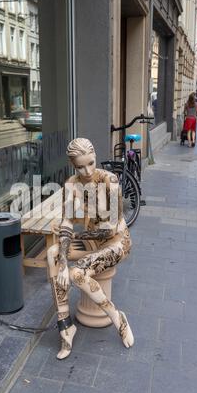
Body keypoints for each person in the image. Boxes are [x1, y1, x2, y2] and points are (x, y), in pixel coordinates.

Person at [47, 138, 134, 360]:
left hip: (116, 242)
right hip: (92, 242)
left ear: (95, 157)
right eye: (80, 166)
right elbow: (66, 222)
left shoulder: (110, 180)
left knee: (78, 273)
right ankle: (65, 325)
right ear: (72, 165)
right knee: (53, 254)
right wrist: (63, 263)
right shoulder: (71, 184)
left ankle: (117, 317)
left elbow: (109, 229)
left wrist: (75, 235)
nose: (86, 170)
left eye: (91, 163)